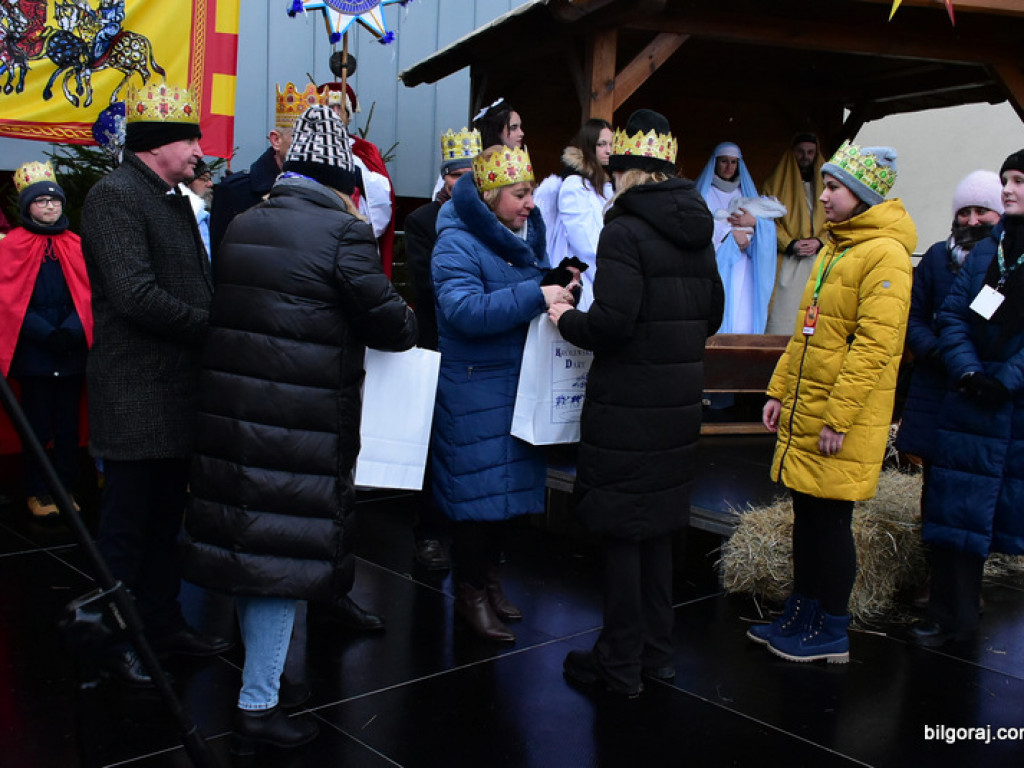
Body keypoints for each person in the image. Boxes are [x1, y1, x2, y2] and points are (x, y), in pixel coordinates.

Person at [182, 104, 417, 754]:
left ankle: (256, 687)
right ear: (341, 181)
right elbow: (391, 326)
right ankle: (258, 704)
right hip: (299, 424)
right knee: (280, 562)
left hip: (237, 416)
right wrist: (404, 311)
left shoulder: (244, 221)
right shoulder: (342, 233)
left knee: (253, 551)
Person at [548, 109, 724, 697]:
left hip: (627, 404)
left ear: (625, 170)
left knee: (624, 532)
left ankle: (619, 663)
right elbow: (712, 315)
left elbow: (611, 324)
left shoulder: (623, 230)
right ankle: (657, 652)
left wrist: (565, 317)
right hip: (677, 405)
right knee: (658, 530)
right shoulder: (697, 227)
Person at [80, 82, 231, 687]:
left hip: (174, 391)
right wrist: (212, 328)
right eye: (190, 139)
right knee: (127, 528)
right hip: (136, 392)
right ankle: (117, 642)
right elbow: (135, 295)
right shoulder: (114, 196)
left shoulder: (169, 197)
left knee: (166, 521)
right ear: (155, 145)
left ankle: (163, 624)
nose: (199, 150)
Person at [750, 141, 914, 663]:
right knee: (807, 516)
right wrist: (779, 391)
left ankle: (832, 628)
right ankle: (802, 611)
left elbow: (874, 348)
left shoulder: (885, 255)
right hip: (810, 405)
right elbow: (806, 335)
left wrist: (838, 418)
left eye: (835, 188)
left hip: (840, 417)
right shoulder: (835, 248)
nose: (823, 196)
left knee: (830, 522)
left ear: (862, 196)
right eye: (823, 186)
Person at [431, 143, 565, 642]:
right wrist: (535, 295)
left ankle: (489, 582)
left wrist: (558, 287)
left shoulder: (522, 236)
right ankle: (469, 594)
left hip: (514, 385)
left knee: (502, 498)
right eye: (520, 194)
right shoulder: (456, 241)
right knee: (474, 503)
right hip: (473, 389)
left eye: (531, 193)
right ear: (490, 196)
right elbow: (463, 310)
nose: (530, 203)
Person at [910, 151, 1024, 648]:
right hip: (968, 399)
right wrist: (969, 369)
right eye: (1005, 180)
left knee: (998, 511)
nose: (1008, 189)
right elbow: (951, 315)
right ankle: (949, 615)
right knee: (955, 508)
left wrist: (1005, 380)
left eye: (1018, 181)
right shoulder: (988, 252)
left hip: (1010, 407)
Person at [896, 170, 1003, 538]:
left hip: (983, 384)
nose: (972, 221)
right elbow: (914, 317)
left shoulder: (1008, 264)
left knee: (977, 477)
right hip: (935, 384)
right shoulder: (936, 258)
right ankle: (932, 556)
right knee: (935, 475)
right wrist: (939, 352)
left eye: (982, 211)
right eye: (964, 212)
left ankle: (971, 560)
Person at [403, 127, 481, 571]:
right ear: (444, 179)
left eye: (471, 175)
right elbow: (426, 286)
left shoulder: (492, 219)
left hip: (483, 346)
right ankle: (428, 534)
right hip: (439, 346)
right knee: (434, 444)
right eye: (455, 176)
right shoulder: (422, 222)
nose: (463, 183)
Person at [0, 161, 92, 520]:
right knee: (37, 427)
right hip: (34, 354)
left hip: (70, 351)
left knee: (67, 427)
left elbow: (88, 294)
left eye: (55, 200)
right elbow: (8, 300)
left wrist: (71, 330)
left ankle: (65, 487)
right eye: (41, 201)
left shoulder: (77, 244)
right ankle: (37, 490)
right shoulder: (11, 246)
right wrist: (45, 333)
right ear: (28, 207)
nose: (50, 206)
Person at [209, 81, 320, 258]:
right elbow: (219, 259)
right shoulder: (235, 193)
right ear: (276, 140)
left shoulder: (326, 193)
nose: (311, 146)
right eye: (301, 136)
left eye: (317, 139)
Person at [695, 142, 777, 334]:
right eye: (724, 161)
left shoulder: (745, 193)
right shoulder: (704, 193)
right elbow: (698, 224)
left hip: (744, 266)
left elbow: (767, 227)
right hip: (718, 263)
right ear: (715, 162)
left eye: (733, 162)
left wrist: (755, 223)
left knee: (742, 315)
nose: (729, 167)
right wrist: (728, 234)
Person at [319, 80, 396, 276]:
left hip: (354, 241)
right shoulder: (304, 148)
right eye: (329, 108)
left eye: (340, 108)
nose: (335, 113)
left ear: (348, 115)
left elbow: (383, 198)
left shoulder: (364, 151)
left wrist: (357, 174)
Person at [534, 118, 613, 309]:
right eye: (601, 144)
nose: (608, 150)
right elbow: (585, 243)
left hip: (602, 273)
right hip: (585, 280)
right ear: (588, 146)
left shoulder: (605, 186)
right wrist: (611, 278)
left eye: (612, 144)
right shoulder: (575, 185)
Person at [763, 133, 829, 334]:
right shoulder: (774, 184)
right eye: (800, 152)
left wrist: (820, 241)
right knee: (784, 319)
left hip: (819, 260)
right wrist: (791, 244)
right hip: (788, 261)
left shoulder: (829, 186)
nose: (805, 157)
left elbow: (839, 221)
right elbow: (766, 221)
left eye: (810, 152)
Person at [181, 158, 212, 258]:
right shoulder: (189, 216)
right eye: (204, 179)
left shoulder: (207, 214)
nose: (210, 184)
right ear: (188, 184)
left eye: (210, 179)